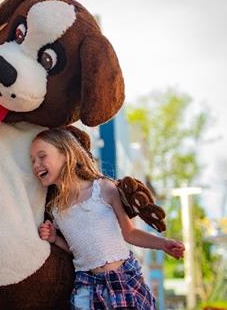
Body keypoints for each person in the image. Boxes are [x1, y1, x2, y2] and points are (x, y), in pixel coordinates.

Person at [30, 128, 185, 310]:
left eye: (42, 156)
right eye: (32, 160)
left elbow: (130, 233)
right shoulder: (56, 209)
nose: (36, 165)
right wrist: (55, 238)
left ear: (66, 154)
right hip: (88, 286)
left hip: (123, 279)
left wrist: (163, 243)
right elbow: (77, 250)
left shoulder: (103, 189)